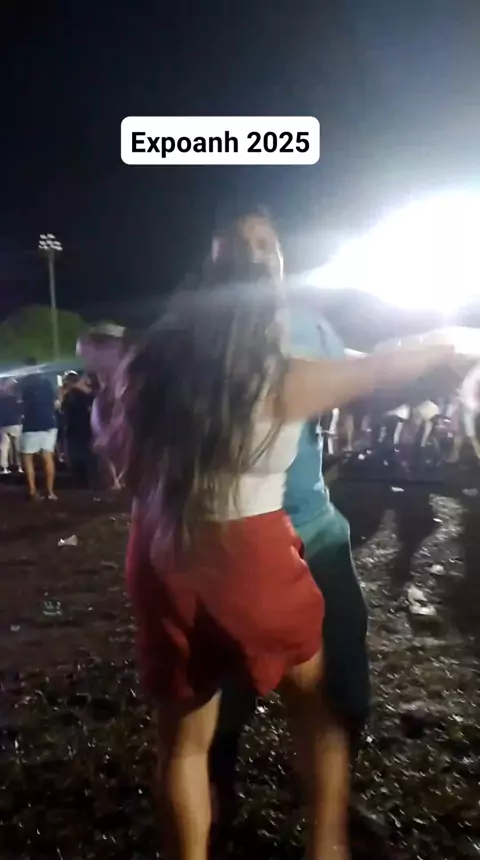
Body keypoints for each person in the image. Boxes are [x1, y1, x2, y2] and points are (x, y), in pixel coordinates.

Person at [98, 232, 456, 860]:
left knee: (182, 745)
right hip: (251, 556)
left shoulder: (148, 366)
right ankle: (326, 847)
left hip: (160, 554)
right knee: (317, 710)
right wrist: (445, 343)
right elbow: (381, 369)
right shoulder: (282, 378)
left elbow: (119, 457)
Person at [19, 358, 58, 500]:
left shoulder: (23, 383)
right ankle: (50, 492)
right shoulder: (47, 382)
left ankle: (32, 491)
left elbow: (20, 403)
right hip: (49, 423)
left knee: (27, 458)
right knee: (48, 457)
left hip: (31, 424)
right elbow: (55, 401)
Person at [61, 374, 95, 487]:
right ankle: (88, 481)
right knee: (87, 457)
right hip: (86, 429)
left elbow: (63, 411)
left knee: (75, 458)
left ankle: (79, 481)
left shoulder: (69, 395)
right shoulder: (87, 395)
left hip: (72, 429)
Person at [0, 379, 23, 473]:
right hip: (16, 424)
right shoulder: (17, 398)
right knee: (18, 447)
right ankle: (20, 466)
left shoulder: (1, 399)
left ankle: (4, 467)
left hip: (4, 425)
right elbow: (21, 411)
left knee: (4, 447)